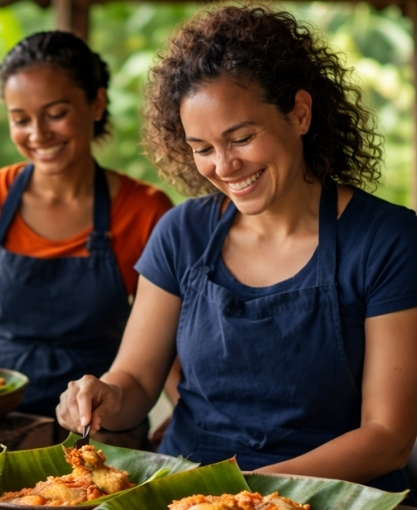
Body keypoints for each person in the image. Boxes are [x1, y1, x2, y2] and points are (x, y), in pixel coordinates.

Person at [55, 4, 417, 498]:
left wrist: (241, 492)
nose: (224, 167)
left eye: (242, 138)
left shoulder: (386, 239)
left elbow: (388, 438)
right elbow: (137, 381)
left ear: (300, 113)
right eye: (202, 148)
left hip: (331, 496)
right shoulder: (181, 232)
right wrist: (103, 395)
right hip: (188, 494)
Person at [0, 30, 173, 447]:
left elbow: (169, 339)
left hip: (99, 426)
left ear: (96, 103)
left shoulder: (146, 211)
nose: (37, 133)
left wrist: (185, 411)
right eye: (20, 119)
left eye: (55, 113)